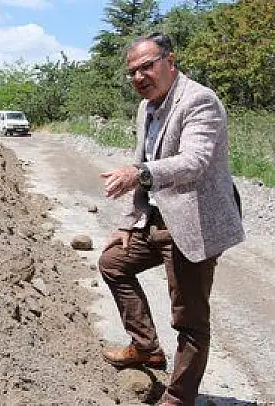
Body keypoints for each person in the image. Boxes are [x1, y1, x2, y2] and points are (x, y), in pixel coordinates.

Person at [98, 33, 244, 405]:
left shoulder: (198, 100)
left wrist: (139, 173)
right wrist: (128, 222)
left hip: (194, 223)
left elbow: (194, 162)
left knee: (189, 319)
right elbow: (141, 164)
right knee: (113, 263)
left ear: (170, 61)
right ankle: (146, 348)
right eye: (133, 71)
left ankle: (179, 396)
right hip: (156, 219)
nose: (139, 76)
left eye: (147, 66)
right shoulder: (146, 107)